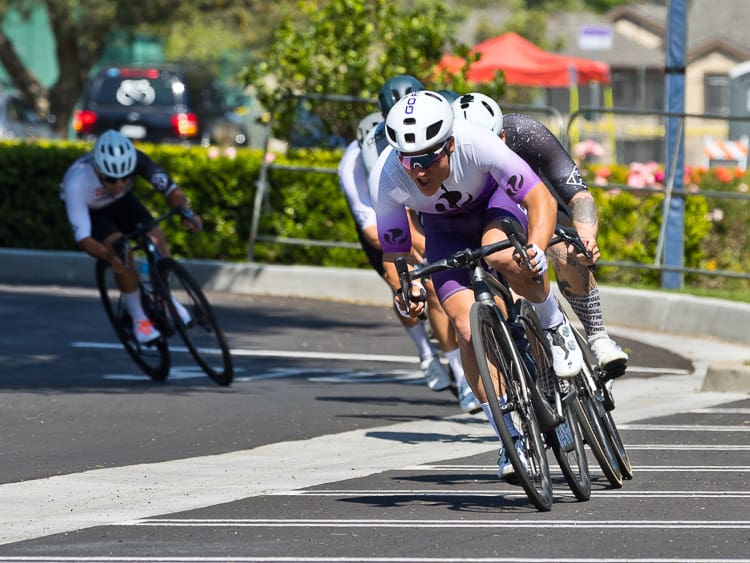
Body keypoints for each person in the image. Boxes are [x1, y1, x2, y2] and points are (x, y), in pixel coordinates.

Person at [369, 90, 583, 480]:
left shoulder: (476, 142)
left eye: (427, 158)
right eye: (408, 159)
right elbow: (394, 254)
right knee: (467, 327)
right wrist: (405, 292)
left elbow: (541, 199)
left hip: (494, 206)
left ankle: (555, 327)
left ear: (449, 144)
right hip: (444, 230)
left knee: (499, 256)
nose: (417, 171)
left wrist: (535, 248)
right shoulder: (387, 176)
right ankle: (510, 438)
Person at [451, 92, 628, 379]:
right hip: (486, 220)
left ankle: (598, 337)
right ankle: (540, 367)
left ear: (504, 136)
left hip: (531, 206)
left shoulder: (526, 133)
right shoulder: (448, 164)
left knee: (567, 251)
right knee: (506, 284)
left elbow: (577, 195)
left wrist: (585, 236)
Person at [338, 89, 479, 413]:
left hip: (419, 206)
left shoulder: (430, 137)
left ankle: (461, 360)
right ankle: (437, 360)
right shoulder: (358, 160)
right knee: (412, 283)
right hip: (380, 218)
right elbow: (376, 230)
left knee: (437, 280)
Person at [60, 129, 202, 344]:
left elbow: (172, 191)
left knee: (155, 236)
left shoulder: (138, 160)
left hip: (124, 203)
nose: (118, 185)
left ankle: (163, 297)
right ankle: (139, 320)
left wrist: (186, 213)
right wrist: (110, 258)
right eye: (111, 179)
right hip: (94, 213)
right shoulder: (76, 183)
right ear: (98, 171)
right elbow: (84, 239)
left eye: (125, 178)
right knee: (121, 251)